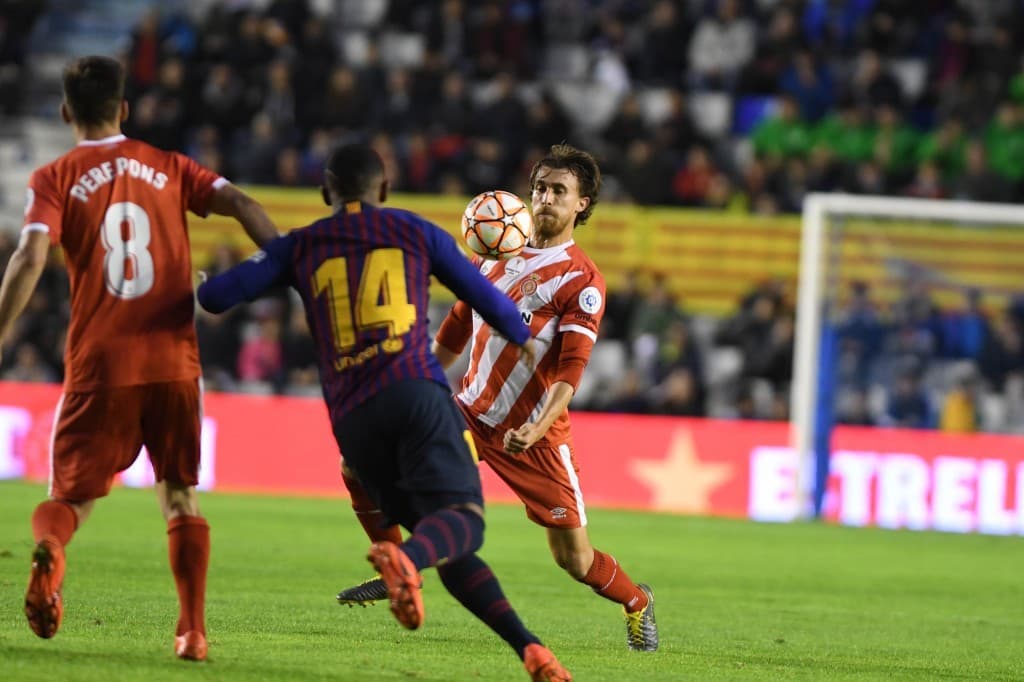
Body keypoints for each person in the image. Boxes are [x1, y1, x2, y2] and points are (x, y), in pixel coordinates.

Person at [196, 143, 572, 682]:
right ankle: (404, 562)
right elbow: (482, 295)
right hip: (415, 393)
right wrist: (521, 336)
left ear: (326, 193)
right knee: (463, 523)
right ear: (385, 190)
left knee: (444, 542)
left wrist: (207, 287)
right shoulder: (414, 231)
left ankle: (532, 651)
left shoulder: (303, 245)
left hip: (353, 422)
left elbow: (220, 297)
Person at [0, 55, 278, 660]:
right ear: (125, 109)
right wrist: (286, 262)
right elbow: (243, 204)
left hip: (99, 363)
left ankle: (53, 551)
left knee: (70, 499)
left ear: (66, 111)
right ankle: (192, 631)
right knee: (179, 494)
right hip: (174, 361)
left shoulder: (54, 177)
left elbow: (29, 256)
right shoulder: (171, 166)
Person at [337, 143, 659, 652]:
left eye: (558, 191)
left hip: (536, 435)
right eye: (539, 188)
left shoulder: (582, 280)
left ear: (582, 203)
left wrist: (535, 426)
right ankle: (398, 569)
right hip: (467, 414)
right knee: (359, 463)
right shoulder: (493, 249)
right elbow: (456, 328)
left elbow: (571, 372)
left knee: (574, 560)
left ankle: (637, 601)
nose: (544, 199)